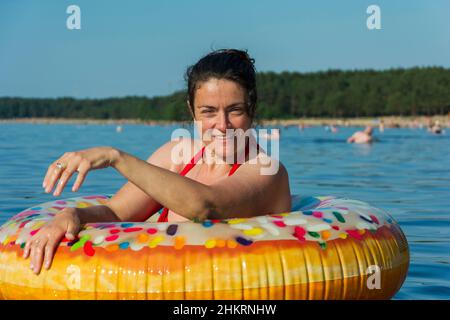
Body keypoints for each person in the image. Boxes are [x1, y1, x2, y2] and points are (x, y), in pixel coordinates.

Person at [22, 49, 292, 274]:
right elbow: (116, 214)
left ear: (252, 108)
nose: (221, 125)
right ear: (191, 110)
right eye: (208, 112)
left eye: (234, 110)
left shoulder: (267, 170)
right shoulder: (176, 157)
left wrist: (115, 157)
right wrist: (72, 215)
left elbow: (205, 207)